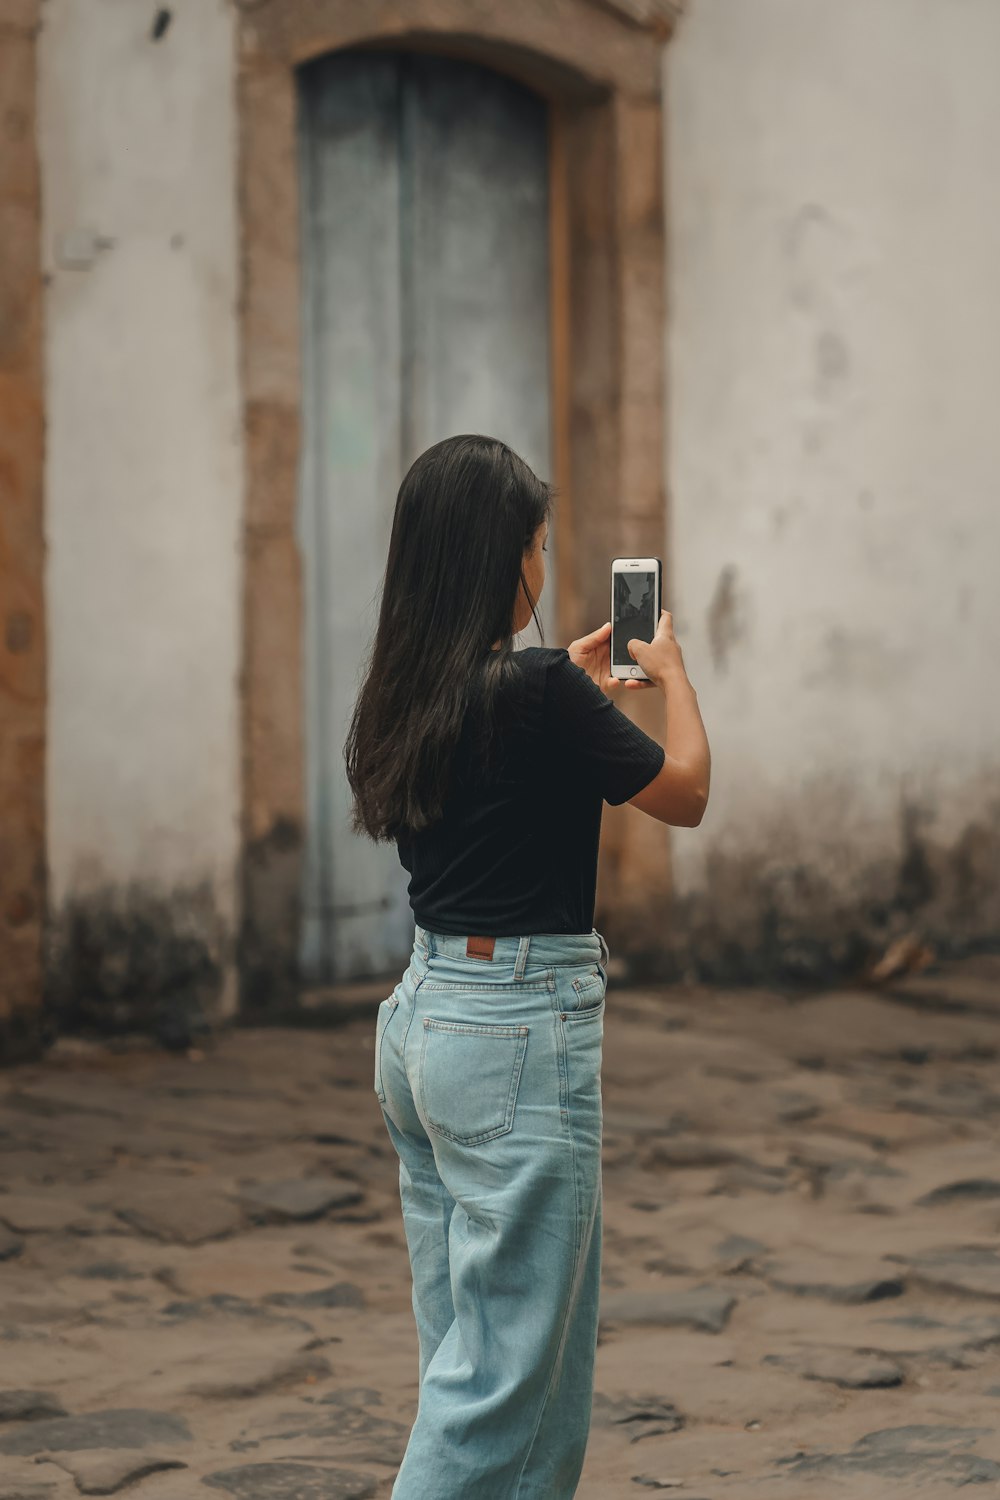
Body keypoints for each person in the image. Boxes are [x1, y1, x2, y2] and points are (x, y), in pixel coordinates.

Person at [345, 433, 710, 1499]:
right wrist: (672, 675)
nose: (542, 569)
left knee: (491, 1359)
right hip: (514, 1034)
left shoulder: (408, 692)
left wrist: (574, 688)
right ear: (503, 560)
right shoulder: (539, 693)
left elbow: (508, 758)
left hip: (422, 1030)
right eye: (537, 548)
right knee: (502, 1383)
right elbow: (684, 791)